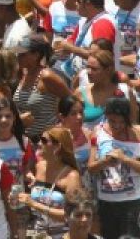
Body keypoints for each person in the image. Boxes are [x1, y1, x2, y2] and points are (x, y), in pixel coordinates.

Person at [88, 97, 140, 239]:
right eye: (112, 121)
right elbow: (91, 168)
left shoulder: (137, 134)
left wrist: (125, 159)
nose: (117, 125)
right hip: (106, 201)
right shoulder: (97, 132)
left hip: (132, 201)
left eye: (121, 122)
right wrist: (105, 162)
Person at [17, 127, 82, 239]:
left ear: (57, 146)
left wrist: (34, 204)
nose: (39, 143)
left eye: (44, 140)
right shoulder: (40, 166)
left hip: (62, 235)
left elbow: (72, 215)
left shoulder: (72, 176)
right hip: (37, 234)